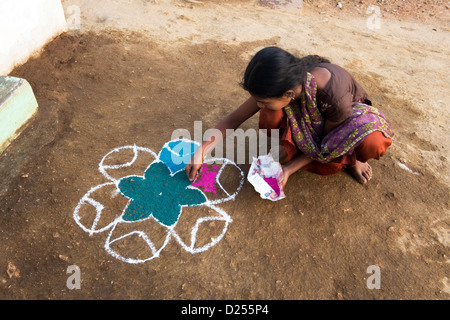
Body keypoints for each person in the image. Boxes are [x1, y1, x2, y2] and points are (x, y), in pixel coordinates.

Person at [185, 47, 393, 186]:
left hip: (344, 119)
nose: (258, 105)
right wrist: (202, 151)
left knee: (371, 143)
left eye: (263, 100)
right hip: (316, 115)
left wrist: (289, 170)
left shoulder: (333, 98)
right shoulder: (284, 81)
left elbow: (326, 144)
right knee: (270, 115)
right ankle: (294, 146)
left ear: (289, 95)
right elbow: (233, 119)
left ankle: (353, 159)